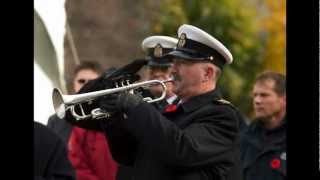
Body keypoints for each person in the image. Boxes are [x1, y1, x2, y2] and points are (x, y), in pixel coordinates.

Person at [98, 24, 243, 180]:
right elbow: (128, 155)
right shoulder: (170, 110)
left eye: (182, 63)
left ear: (207, 73)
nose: (172, 69)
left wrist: (136, 106)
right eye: (174, 62)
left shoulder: (222, 116)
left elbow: (182, 150)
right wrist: (113, 119)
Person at [240, 71, 286, 180]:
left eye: (264, 95)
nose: (257, 100)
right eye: (255, 95)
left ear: (284, 99)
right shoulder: (244, 137)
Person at [47, 61, 103, 143]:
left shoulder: (110, 116)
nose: (86, 85)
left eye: (92, 82)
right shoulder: (55, 120)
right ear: (74, 84)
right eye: (81, 81)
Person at [141, 35, 179, 112]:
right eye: (152, 68)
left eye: (164, 69)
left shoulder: (183, 106)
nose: (157, 74)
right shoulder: (142, 101)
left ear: (177, 71)